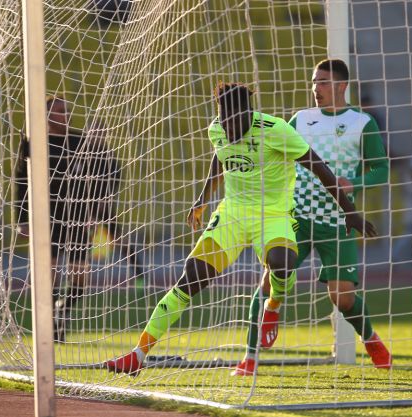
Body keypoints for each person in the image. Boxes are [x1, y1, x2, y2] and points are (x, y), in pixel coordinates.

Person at [106, 81, 376, 376]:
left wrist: (350, 213)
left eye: (233, 122)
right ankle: (138, 355)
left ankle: (272, 306)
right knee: (191, 278)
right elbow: (220, 158)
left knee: (282, 263)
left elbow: (320, 167)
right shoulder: (218, 129)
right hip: (233, 215)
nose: (227, 128)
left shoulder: (276, 130)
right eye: (223, 121)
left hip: (273, 214)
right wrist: (202, 198)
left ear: (248, 113)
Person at [232, 59, 391, 377]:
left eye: (323, 82)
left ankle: (371, 338)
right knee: (269, 279)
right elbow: (279, 154)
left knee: (342, 298)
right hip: (297, 217)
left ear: (342, 86)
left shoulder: (363, 122)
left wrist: (355, 183)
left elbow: (381, 169)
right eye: (314, 81)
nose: (316, 88)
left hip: (337, 221)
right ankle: (250, 358)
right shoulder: (300, 120)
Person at [16, 96, 143, 342]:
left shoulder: (80, 141)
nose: (67, 115)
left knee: (80, 278)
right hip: (47, 217)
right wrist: (22, 219)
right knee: (49, 275)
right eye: (61, 111)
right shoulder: (33, 142)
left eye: (68, 110)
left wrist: (95, 212)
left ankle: (63, 311)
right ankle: (51, 322)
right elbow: (21, 181)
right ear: (46, 116)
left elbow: (98, 176)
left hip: (77, 217)